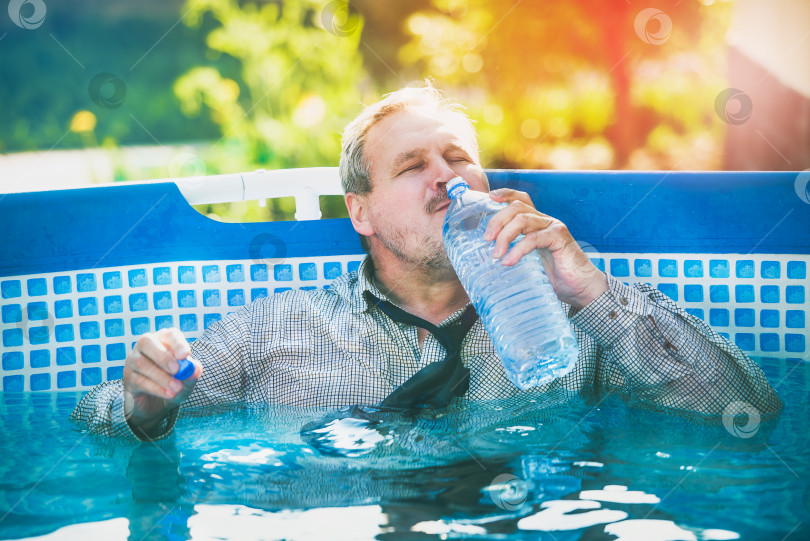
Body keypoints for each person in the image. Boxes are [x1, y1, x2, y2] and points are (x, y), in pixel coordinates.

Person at [71, 83, 783, 441]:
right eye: (413, 165)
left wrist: (591, 291)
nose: (447, 178)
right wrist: (143, 404)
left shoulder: (572, 317)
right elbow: (92, 415)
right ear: (361, 211)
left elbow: (745, 411)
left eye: (458, 159)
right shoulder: (276, 330)